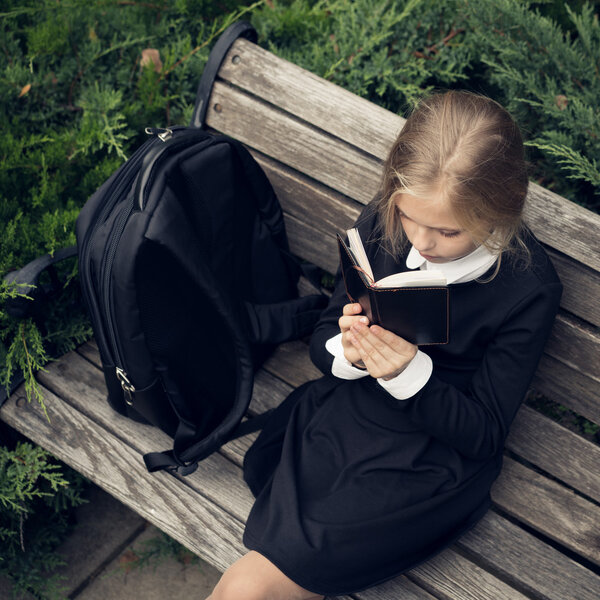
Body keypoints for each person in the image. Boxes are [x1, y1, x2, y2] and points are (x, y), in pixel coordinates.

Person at [206, 90, 563, 600]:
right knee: (257, 577)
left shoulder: (527, 288)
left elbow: (483, 435)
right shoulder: (383, 219)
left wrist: (408, 376)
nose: (421, 241)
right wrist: (348, 354)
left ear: (499, 214)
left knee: (259, 580)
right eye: (409, 216)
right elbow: (325, 337)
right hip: (347, 416)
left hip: (429, 457)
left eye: (447, 230)